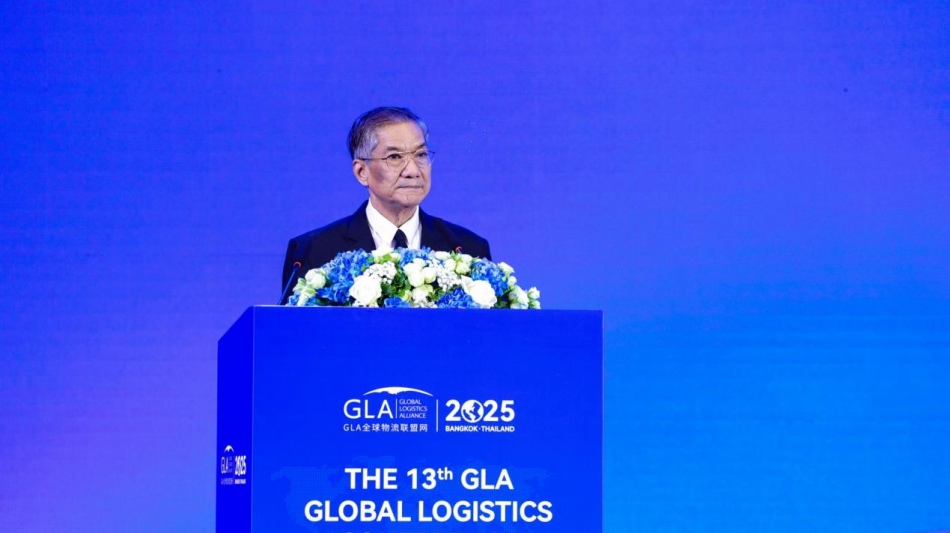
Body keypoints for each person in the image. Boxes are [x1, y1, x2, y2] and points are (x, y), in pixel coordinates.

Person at [281, 107, 492, 299]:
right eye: (394, 157)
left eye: (421, 155)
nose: (412, 171)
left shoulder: (468, 248)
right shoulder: (313, 252)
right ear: (361, 172)